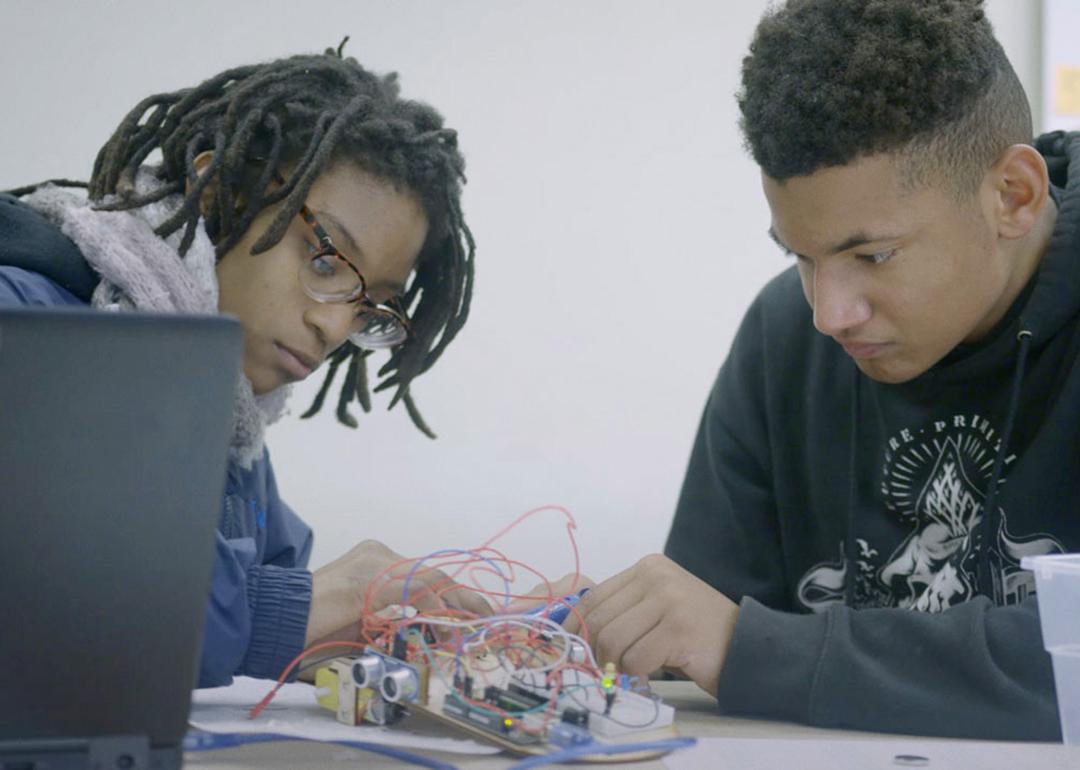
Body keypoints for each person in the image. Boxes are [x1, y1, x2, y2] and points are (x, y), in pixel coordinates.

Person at [564, 0, 1080, 741]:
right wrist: (625, 626)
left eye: (873, 256)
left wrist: (756, 649)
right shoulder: (784, 336)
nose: (829, 315)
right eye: (800, 256)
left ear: (1013, 196)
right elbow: (703, 632)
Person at [0, 44, 492, 687]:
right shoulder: (27, 323)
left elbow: (279, 591)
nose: (336, 325)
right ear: (217, 193)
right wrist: (297, 611)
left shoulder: (226, 412)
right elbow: (43, 612)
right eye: (325, 262)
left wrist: (504, 626)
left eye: (372, 306)